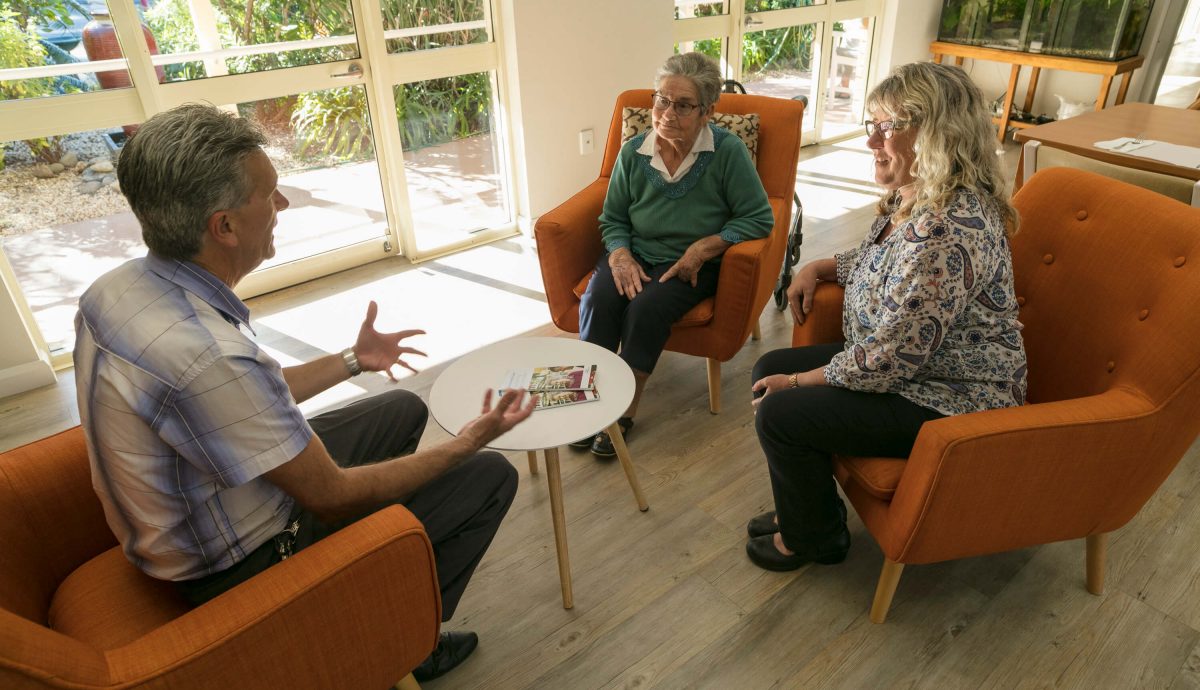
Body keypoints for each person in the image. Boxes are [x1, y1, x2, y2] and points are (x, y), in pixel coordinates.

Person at [72, 103, 535, 682]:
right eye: (269, 194)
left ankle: (386, 610)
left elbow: (236, 404)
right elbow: (333, 496)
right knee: (488, 478)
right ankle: (400, 641)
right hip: (236, 564)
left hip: (192, 508)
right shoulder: (206, 354)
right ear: (225, 226)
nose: (282, 205)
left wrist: (352, 361)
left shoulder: (114, 291)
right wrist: (465, 443)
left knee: (403, 406)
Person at [744, 62, 1028, 571]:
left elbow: (888, 362)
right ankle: (812, 511)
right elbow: (885, 263)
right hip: (915, 369)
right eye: (871, 124)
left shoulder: (944, 232)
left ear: (940, 133)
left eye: (889, 126)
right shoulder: (920, 194)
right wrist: (822, 264)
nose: (872, 140)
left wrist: (802, 380)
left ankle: (815, 540)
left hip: (950, 395)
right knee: (768, 369)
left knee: (782, 411)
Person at [574, 51, 774, 457]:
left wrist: (704, 247)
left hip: (689, 264)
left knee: (646, 308)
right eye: (661, 100)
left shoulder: (727, 152)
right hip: (636, 253)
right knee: (598, 298)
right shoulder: (633, 152)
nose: (667, 113)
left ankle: (622, 413)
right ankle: (587, 404)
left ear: (707, 112)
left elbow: (759, 218)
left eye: (683, 105)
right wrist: (619, 256)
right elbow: (613, 219)